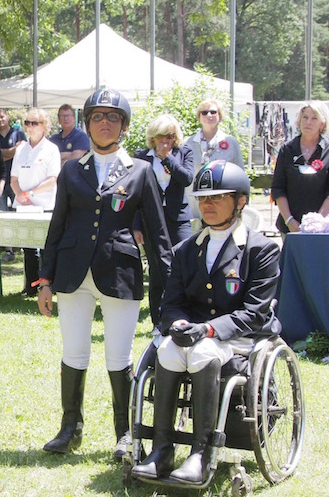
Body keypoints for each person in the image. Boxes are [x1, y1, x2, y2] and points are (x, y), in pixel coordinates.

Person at [37, 88, 171, 461]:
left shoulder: (141, 171)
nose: (105, 123)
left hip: (120, 272)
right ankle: (69, 429)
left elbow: (159, 235)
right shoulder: (70, 170)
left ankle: (125, 433)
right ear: (88, 123)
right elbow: (57, 226)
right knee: (74, 352)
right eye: (98, 116)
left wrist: (173, 287)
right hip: (72, 274)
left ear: (124, 126)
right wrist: (44, 280)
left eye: (113, 117)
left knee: (118, 356)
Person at [132, 160, 281, 484]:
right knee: (168, 352)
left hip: (240, 337)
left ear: (240, 201)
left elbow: (255, 312)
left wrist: (210, 330)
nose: (207, 205)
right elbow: (170, 302)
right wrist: (178, 326)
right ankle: (162, 449)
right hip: (194, 333)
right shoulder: (187, 249)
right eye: (203, 198)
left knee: (203, 353)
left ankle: (200, 454)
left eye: (217, 197)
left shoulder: (261, 249)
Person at [133, 114, 194, 325]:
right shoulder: (142, 157)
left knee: (183, 264)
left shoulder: (184, 153)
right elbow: (136, 195)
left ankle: (183, 314)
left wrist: (167, 158)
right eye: (161, 137)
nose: (166, 141)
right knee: (157, 269)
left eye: (170, 136)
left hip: (178, 218)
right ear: (153, 137)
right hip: (152, 220)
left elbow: (186, 178)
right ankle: (158, 321)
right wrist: (137, 226)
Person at [11, 108, 61, 297]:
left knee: (47, 248)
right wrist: (20, 195)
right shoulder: (21, 149)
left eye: (35, 123)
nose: (30, 127)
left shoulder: (51, 149)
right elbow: (13, 179)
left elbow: (52, 180)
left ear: (45, 126)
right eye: (27, 123)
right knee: (28, 249)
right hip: (24, 207)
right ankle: (30, 286)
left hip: (46, 206)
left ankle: (48, 285)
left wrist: (30, 193)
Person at [270, 100, 329, 234]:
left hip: (322, 228)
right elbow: (278, 188)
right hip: (290, 226)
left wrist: (317, 223)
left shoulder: (328, 151)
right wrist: (289, 220)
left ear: (322, 123)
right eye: (305, 117)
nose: (308, 122)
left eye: (314, 118)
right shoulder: (287, 149)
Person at [185, 99, 244, 222]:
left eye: (213, 112)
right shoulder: (187, 144)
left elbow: (240, 176)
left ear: (220, 116)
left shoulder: (231, 142)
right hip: (195, 208)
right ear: (199, 117)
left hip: (224, 207)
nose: (209, 115)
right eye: (204, 112)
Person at [0, 108, 26, 211]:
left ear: (7, 117)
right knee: (0, 216)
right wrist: (12, 152)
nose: (0, 119)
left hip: (17, 182)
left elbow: (22, 153)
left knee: (20, 213)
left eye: (2, 116)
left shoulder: (18, 134)